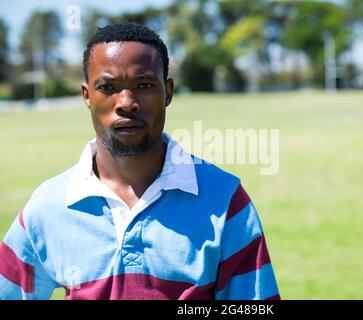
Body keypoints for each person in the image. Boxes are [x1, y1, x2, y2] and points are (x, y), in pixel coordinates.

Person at [0, 23, 280, 300]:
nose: (127, 102)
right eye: (108, 87)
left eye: (144, 85)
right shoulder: (48, 206)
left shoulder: (225, 200)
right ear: (87, 96)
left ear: (167, 92)